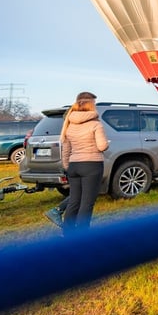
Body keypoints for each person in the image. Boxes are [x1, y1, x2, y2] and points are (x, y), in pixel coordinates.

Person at [60, 92, 109, 232]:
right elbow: (102, 146)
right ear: (90, 106)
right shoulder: (95, 124)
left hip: (74, 165)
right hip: (91, 165)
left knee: (74, 201)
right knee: (87, 203)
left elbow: (66, 149)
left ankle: (67, 233)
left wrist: (66, 166)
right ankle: (82, 237)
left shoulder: (69, 123)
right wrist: (107, 144)